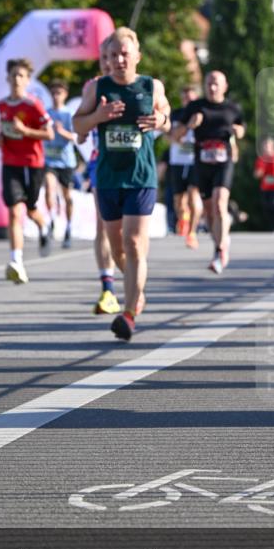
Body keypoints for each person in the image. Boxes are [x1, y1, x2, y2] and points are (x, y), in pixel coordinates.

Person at [73, 27, 171, 340]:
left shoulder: (151, 86)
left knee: (133, 243)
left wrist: (162, 122)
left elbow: (167, 116)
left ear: (137, 56)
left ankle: (129, 314)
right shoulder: (97, 87)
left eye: (125, 54)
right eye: (113, 55)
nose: (118, 60)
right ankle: (134, 287)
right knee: (117, 248)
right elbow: (77, 124)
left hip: (141, 177)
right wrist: (98, 116)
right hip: (109, 177)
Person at [176, 71, 245, 273]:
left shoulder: (233, 108)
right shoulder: (195, 107)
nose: (212, 87)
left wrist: (239, 132)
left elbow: (241, 128)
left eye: (216, 84)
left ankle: (219, 251)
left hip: (224, 161)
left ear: (225, 86)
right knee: (209, 211)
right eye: (208, 83)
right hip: (202, 163)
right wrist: (190, 125)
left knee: (219, 202)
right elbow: (176, 136)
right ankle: (220, 244)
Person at [0, 58, 54, 284]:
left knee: (30, 210)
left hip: (33, 163)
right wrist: (0, 138)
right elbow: (5, 131)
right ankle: (16, 261)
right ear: (8, 79)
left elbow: (49, 134)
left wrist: (25, 131)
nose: (16, 80)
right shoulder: (1, 105)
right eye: (13, 76)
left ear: (28, 80)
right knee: (13, 211)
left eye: (21, 76)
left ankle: (44, 226)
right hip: (10, 162)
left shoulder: (34, 105)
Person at [82, 36, 121, 315]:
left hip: (131, 165)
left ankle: (132, 277)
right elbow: (80, 130)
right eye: (105, 58)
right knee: (103, 226)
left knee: (127, 233)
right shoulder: (93, 88)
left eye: (114, 56)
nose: (110, 63)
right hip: (100, 163)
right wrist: (97, 115)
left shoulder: (138, 85)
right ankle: (108, 288)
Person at [43, 79, 77, 249]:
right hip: (49, 159)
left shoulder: (69, 114)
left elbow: (76, 137)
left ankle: (69, 227)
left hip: (66, 161)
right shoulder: (46, 113)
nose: (56, 96)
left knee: (67, 196)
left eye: (59, 93)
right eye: (54, 93)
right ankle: (51, 221)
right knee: (49, 188)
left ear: (65, 95)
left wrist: (62, 131)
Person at [169, 85, 203, 249]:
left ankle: (192, 231)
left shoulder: (201, 115)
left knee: (193, 194)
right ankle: (184, 219)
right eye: (185, 98)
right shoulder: (175, 114)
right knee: (179, 200)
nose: (188, 101)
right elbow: (168, 136)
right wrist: (176, 138)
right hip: (177, 161)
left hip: (195, 161)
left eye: (191, 98)